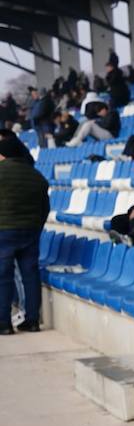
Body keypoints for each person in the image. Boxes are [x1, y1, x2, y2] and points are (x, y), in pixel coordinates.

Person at [0, 134, 48, 334]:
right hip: (30, 231)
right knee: (30, 275)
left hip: (4, 231)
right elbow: (45, 207)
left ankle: (3, 324)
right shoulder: (37, 176)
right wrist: (36, 226)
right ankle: (33, 321)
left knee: (3, 277)